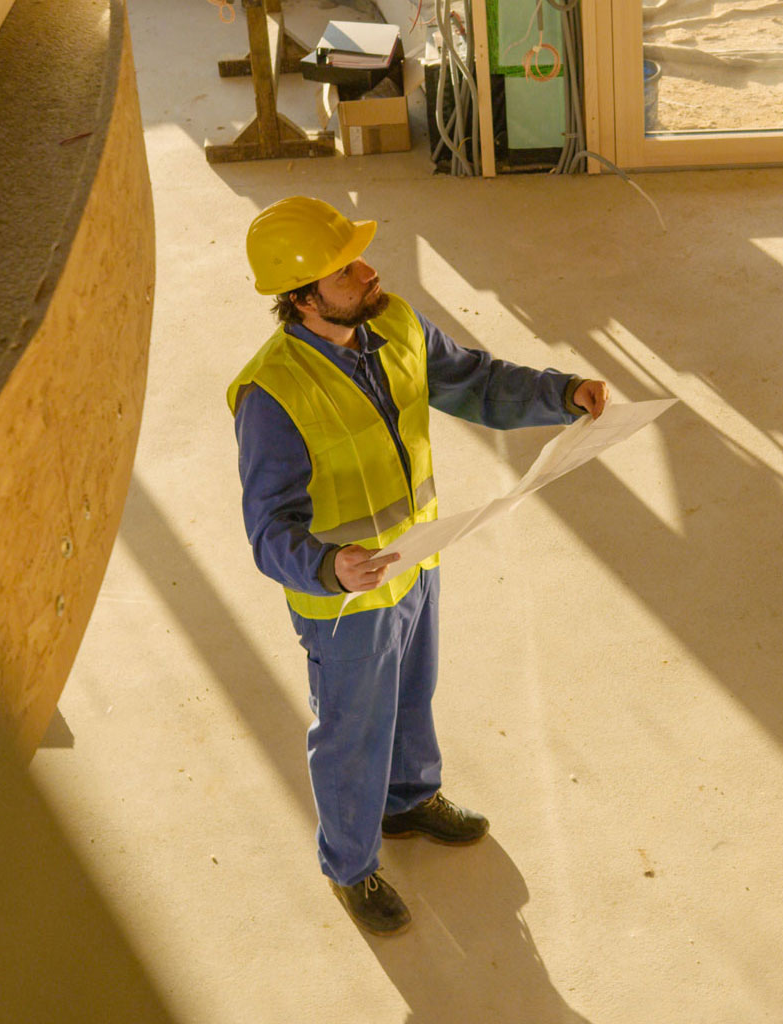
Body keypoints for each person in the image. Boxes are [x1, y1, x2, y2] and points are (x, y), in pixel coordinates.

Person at [228, 196, 609, 936]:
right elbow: (268, 528)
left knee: (411, 693)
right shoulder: (271, 394)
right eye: (345, 271)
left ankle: (408, 801)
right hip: (346, 600)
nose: (369, 272)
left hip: (417, 558)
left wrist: (560, 394)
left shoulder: (395, 323)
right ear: (303, 298)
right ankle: (350, 868)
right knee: (351, 733)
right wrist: (330, 567)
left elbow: (475, 380)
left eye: (359, 259)